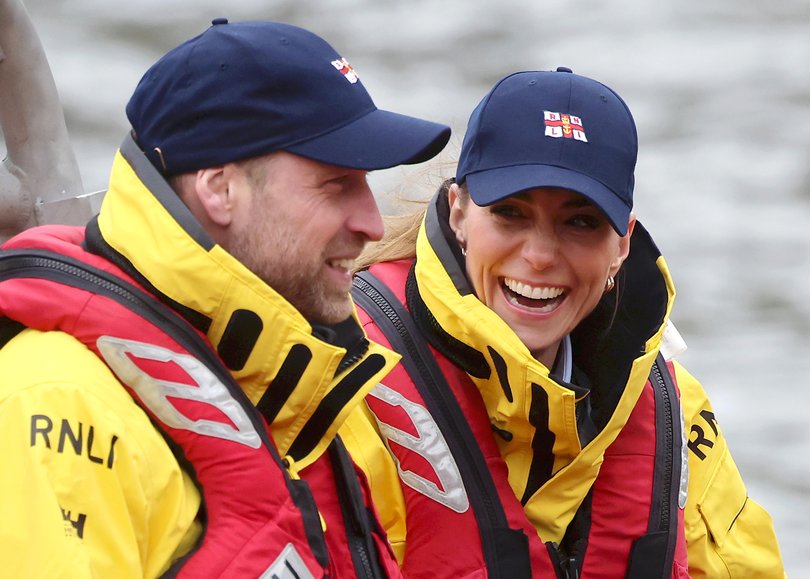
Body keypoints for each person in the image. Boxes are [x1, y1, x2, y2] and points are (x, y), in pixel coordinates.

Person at [0, 18, 450, 578]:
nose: (372, 222)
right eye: (337, 184)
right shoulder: (51, 403)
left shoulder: (310, 393)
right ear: (220, 189)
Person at [351, 68, 785, 578]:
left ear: (622, 245)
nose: (538, 256)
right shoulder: (350, 379)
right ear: (459, 213)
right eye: (510, 213)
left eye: (580, 222)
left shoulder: (675, 410)